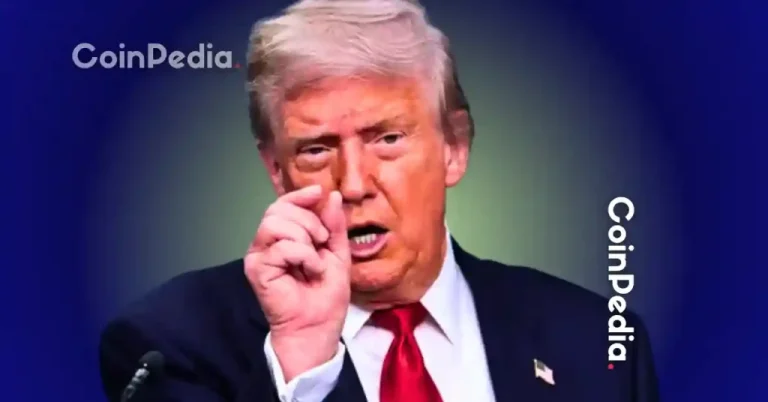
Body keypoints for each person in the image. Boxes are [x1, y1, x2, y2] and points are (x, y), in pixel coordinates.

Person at [98, 0, 660, 401]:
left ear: (454, 148)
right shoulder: (169, 346)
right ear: (276, 171)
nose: (354, 184)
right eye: (316, 149)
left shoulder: (600, 344)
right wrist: (305, 368)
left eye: (387, 139)